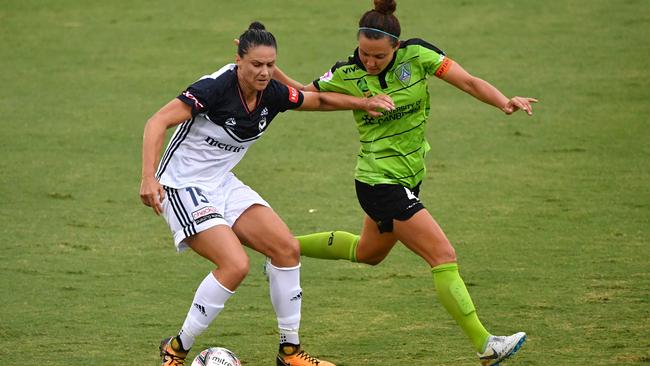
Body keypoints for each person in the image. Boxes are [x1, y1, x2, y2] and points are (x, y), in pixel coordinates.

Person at [271, 1, 537, 365]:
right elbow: (305, 95)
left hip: (408, 177)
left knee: (369, 253)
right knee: (442, 256)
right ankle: (486, 346)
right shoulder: (347, 72)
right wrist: (274, 71)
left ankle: (280, 246)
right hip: (379, 182)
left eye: (378, 55)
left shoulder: (419, 55)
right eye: (364, 52)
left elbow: (469, 81)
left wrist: (504, 101)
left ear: (396, 46)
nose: (370, 61)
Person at [140, 21, 394, 366]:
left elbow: (315, 99)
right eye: (256, 65)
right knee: (235, 264)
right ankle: (176, 349)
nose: (264, 72)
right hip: (182, 186)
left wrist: (362, 103)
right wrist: (148, 178)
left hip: (222, 183)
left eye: (270, 65)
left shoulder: (271, 91)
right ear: (239, 60)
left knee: (286, 249)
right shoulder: (214, 88)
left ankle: (290, 353)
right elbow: (157, 122)